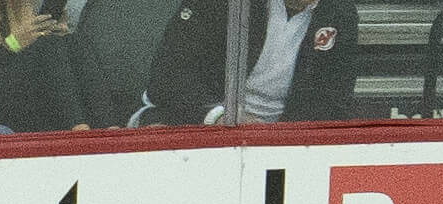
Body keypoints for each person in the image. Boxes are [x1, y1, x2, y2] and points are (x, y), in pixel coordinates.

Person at [135, 0, 357, 126]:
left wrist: (286, 137)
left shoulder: (339, 12)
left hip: (277, 139)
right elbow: (168, 75)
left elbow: (335, 95)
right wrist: (221, 115)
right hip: (197, 119)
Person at [0, 0, 91, 131]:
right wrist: (13, 44)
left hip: (21, 89)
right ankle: (79, 129)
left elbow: (35, 54)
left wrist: (55, 34)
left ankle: (107, 126)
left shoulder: (19, 5)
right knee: (49, 46)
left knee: (74, 42)